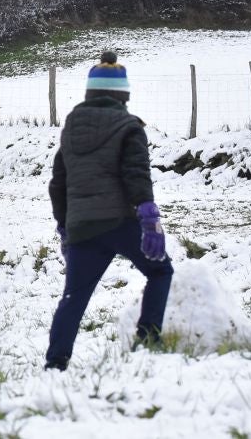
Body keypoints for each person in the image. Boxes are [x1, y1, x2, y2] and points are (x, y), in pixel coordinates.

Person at [45, 53, 173, 371]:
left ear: (90, 94)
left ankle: (55, 361)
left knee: (74, 296)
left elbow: (58, 183)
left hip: (82, 226)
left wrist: (64, 226)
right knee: (160, 271)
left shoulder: (71, 129)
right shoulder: (129, 128)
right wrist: (149, 216)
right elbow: (136, 175)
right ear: (122, 96)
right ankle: (148, 338)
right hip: (120, 222)